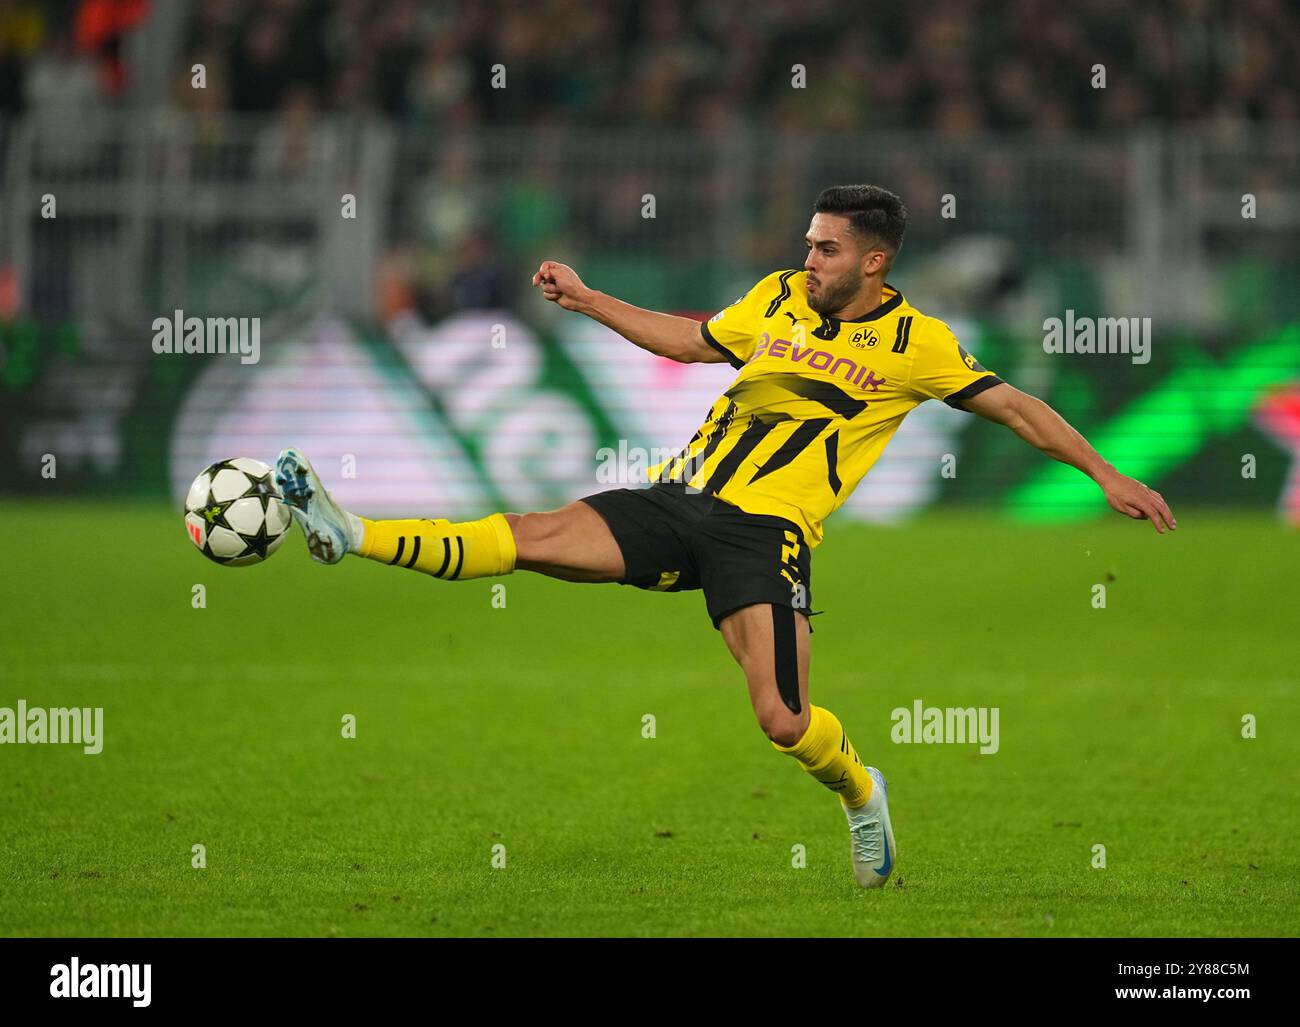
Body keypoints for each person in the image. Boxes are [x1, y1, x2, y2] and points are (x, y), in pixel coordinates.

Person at [274, 184, 1176, 888]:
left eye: (827, 247)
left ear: (874, 260)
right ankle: (348, 529)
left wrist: (1104, 473)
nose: (809, 256)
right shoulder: (779, 298)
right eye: (809, 242)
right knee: (527, 532)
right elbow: (693, 342)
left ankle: (863, 793)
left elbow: (1015, 406)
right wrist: (588, 301)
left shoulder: (917, 342)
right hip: (680, 500)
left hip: (766, 536)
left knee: (783, 718)